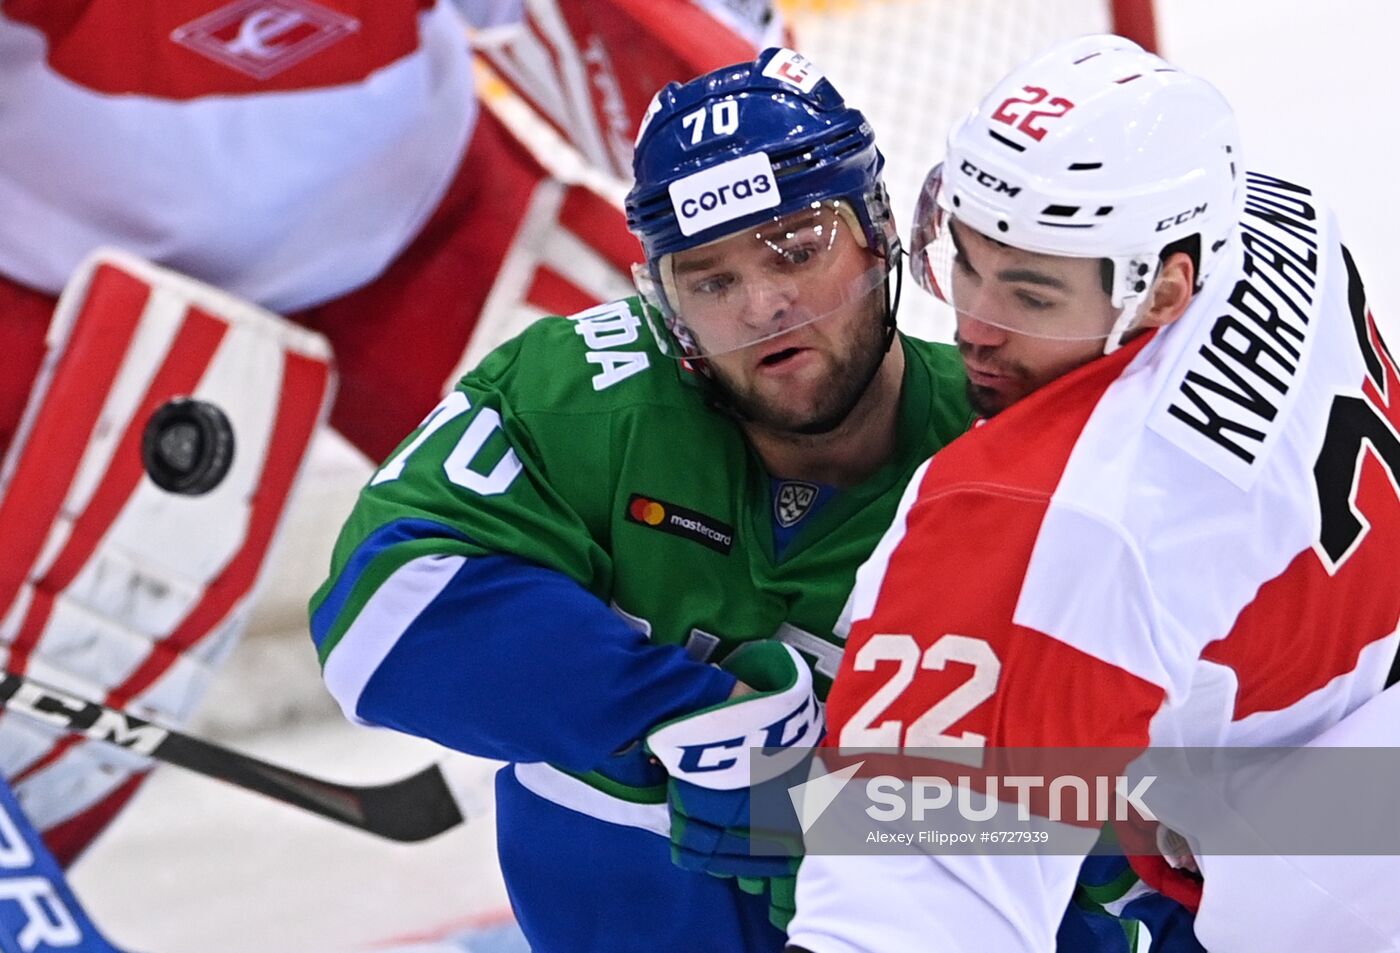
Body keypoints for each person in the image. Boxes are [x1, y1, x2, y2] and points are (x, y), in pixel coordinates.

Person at [0, 0, 782, 865]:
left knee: (731, 473)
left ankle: (865, 828)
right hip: (48, 276)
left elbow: (681, 60)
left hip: (417, 233)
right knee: (54, 683)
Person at [310, 46, 975, 953]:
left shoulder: (1006, 458)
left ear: (880, 228)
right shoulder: (586, 393)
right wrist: (687, 710)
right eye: (711, 279)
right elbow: (379, 613)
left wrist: (843, 823)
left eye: (797, 247)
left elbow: (1143, 810)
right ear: (667, 306)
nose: (763, 304)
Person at [785, 33, 1400, 953]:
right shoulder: (1274, 210)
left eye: (1032, 295)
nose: (972, 327)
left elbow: (909, 921)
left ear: (1164, 290)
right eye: (965, 258)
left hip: (1336, 868)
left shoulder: (1062, 520)